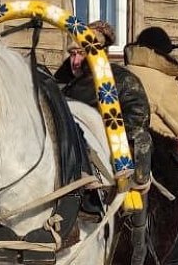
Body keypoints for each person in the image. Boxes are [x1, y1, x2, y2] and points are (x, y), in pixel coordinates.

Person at [54, 20, 152, 188]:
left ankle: (135, 208)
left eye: (81, 53)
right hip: (72, 157)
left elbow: (137, 118)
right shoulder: (66, 85)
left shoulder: (122, 80)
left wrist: (112, 145)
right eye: (72, 54)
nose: (75, 61)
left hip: (111, 160)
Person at [125, 27, 178, 151]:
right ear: (164, 53)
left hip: (130, 147)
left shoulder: (127, 71)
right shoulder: (162, 82)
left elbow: (151, 104)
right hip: (159, 153)